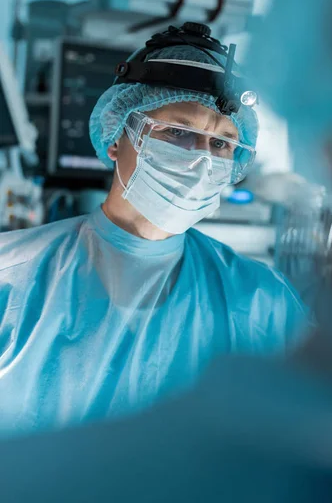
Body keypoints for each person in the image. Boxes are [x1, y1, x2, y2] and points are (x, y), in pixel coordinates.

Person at [0, 23, 307, 436]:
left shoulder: (261, 302)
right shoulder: (12, 278)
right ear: (117, 137)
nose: (202, 160)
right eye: (179, 133)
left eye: (221, 145)